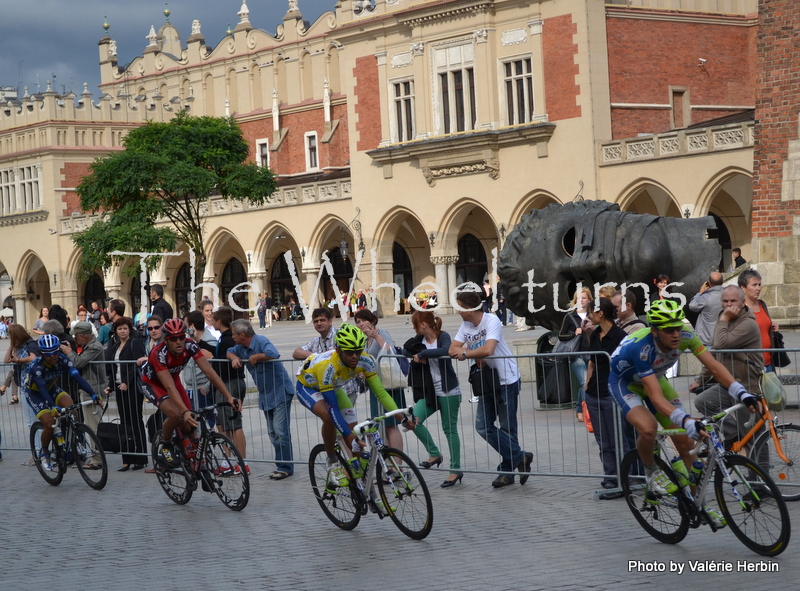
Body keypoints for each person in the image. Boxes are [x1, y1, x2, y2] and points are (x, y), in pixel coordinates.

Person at [608, 299, 758, 522]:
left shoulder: (686, 335)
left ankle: (699, 506)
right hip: (625, 383)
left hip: (655, 379)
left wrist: (741, 392)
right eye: (669, 330)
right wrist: (687, 420)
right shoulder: (643, 347)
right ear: (656, 331)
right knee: (648, 428)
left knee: (688, 447)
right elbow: (656, 399)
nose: (676, 334)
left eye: (678, 327)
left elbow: (715, 367)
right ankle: (651, 473)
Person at [295, 323, 411, 487]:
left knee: (355, 433)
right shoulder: (327, 366)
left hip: (333, 387)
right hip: (308, 386)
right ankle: (332, 460)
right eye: (350, 352)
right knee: (329, 418)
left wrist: (402, 418)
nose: (355, 356)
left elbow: (381, 393)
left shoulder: (366, 360)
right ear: (338, 350)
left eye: (358, 350)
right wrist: (349, 437)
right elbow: (333, 409)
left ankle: (361, 482)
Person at [449, 290, 532, 488]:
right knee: (483, 426)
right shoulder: (466, 325)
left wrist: (468, 353)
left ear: (468, 309)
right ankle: (521, 457)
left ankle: (506, 473)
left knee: (507, 427)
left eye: (459, 307)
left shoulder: (491, 320)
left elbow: (488, 349)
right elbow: (452, 349)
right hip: (487, 381)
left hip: (506, 379)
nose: (457, 311)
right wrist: (472, 353)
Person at [139, 318, 240, 468]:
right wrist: (184, 411)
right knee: (176, 414)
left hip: (174, 381)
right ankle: (166, 445)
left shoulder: (190, 345)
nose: (179, 341)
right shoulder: (158, 353)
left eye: (182, 336)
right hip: (153, 384)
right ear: (166, 340)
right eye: (174, 339)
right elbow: (169, 387)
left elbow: (210, 372)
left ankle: (194, 460)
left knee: (190, 423)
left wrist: (229, 396)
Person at [692, 285, 764, 450]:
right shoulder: (724, 318)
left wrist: (723, 319)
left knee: (754, 436)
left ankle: (759, 475)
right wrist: (700, 380)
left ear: (742, 302)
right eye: (725, 301)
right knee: (703, 401)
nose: (728, 305)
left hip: (747, 386)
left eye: (733, 301)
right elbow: (716, 353)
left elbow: (719, 343)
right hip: (727, 384)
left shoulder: (747, 324)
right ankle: (734, 434)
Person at [227, 319, 295, 480]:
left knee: (280, 430)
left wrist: (257, 356)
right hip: (266, 394)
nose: (232, 337)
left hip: (280, 391)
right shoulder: (241, 348)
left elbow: (273, 353)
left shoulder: (261, 341)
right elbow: (229, 350)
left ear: (242, 335)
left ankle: (286, 466)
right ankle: (282, 464)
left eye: (234, 334)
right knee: (272, 432)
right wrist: (233, 358)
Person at [23, 335, 102, 471]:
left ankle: (77, 439)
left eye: (55, 352)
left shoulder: (63, 360)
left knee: (73, 410)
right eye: (49, 354)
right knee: (49, 423)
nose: (53, 356)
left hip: (51, 388)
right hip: (35, 393)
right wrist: (53, 406)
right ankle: (44, 452)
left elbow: (78, 378)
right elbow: (41, 389)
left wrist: (93, 394)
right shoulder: (37, 366)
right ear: (43, 353)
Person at [403, 310, 463, 488]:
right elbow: (406, 349)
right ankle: (434, 453)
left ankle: (455, 469)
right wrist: (415, 354)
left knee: (449, 429)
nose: (415, 329)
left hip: (448, 389)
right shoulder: (419, 341)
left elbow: (446, 350)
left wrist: (422, 355)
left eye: (416, 325)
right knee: (412, 421)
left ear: (423, 324)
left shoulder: (443, 336)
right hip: (430, 391)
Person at [583, 298, 629, 490]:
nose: (588, 316)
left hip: (612, 392)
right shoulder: (595, 335)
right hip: (594, 392)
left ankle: (628, 474)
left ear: (600, 313)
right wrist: (586, 386)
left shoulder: (620, 336)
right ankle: (610, 475)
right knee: (603, 439)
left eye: (590, 312)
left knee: (619, 437)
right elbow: (592, 361)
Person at [354, 308, 407, 453]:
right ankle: (389, 463)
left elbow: (390, 350)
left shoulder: (381, 333)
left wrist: (376, 336)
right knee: (381, 424)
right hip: (375, 385)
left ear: (371, 320)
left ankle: (398, 465)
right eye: (358, 322)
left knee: (391, 424)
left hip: (389, 384)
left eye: (363, 320)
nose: (360, 324)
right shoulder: (365, 339)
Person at [104, 317, 148, 470]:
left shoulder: (135, 343)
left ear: (130, 330)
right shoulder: (115, 346)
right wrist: (110, 386)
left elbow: (136, 366)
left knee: (135, 421)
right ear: (115, 331)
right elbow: (114, 369)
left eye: (125, 328)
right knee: (124, 424)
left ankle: (140, 457)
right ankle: (127, 458)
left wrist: (126, 382)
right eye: (119, 329)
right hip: (119, 388)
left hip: (132, 389)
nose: (122, 331)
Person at [61, 321, 107, 468]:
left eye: (76, 337)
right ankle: (95, 456)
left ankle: (97, 459)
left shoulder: (94, 347)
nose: (75, 340)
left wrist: (69, 353)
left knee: (93, 427)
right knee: (90, 425)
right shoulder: (89, 345)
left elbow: (78, 362)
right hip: (90, 389)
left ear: (83, 336)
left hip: (93, 391)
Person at [293, 307, 362, 404]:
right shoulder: (316, 342)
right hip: (327, 391)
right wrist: (316, 357)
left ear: (330, 321)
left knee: (345, 418)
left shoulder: (341, 336)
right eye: (316, 321)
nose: (319, 323)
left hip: (346, 389)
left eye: (322, 320)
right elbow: (296, 353)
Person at [210, 306, 249, 472]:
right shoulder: (224, 338)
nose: (212, 322)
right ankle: (229, 461)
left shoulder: (227, 339)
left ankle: (242, 462)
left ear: (219, 321)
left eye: (213, 320)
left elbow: (226, 360)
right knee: (226, 423)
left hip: (230, 382)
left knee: (234, 423)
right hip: (229, 382)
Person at [558, 286, 593, 422]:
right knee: (585, 382)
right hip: (576, 354)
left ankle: (579, 408)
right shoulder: (569, 316)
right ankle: (583, 410)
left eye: (584, 298)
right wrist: (574, 333)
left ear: (589, 299)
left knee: (587, 383)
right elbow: (561, 335)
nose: (582, 301)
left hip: (591, 353)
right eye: (579, 298)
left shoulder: (593, 314)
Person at [738, 269, 779, 373]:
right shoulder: (740, 309)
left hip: (768, 362)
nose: (758, 288)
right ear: (743, 288)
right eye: (754, 285)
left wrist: (773, 328)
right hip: (750, 365)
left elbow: (764, 326)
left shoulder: (762, 304)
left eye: (759, 284)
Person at [688, 271, 724, 347]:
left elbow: (692, 305)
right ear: (723, 282)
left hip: (708, 339)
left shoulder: (705, 297)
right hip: (723, 338)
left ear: (709, 283)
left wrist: (700, 293)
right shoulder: (729, 295)